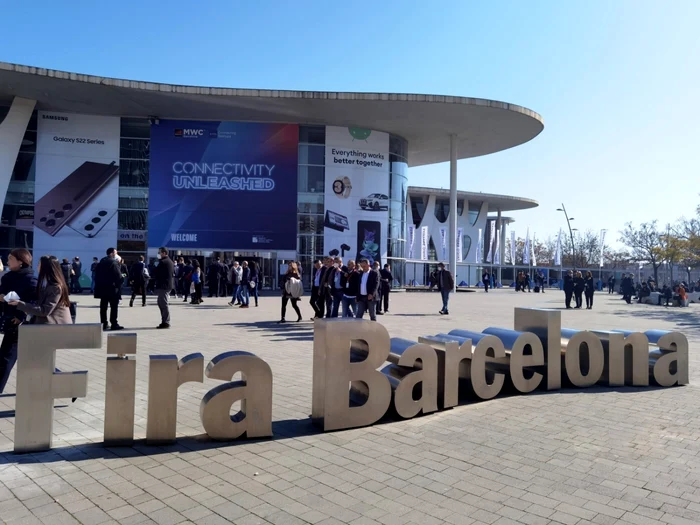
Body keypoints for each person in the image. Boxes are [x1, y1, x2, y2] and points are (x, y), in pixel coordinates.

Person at [0, 249, 38, 393]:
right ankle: (64, 382)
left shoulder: (30, 278)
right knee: (35, 359)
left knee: (5, 357)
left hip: (20, 324)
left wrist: (21, 316)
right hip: (8, 320)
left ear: (21, 261)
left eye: (11, 259)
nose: (7, 261)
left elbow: (34, 301)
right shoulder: (8, 276)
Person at [11, 256, 72, 325]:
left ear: (46, 268)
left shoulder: (55, 287)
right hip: (47, 324)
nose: (37, 266)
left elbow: (44, 311)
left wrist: (20, 303)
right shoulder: (45, 282)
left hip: (54, 326)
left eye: (39, 264)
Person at [94, 248, 124, 331]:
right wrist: (122, 281)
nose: (116, 254)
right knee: (114, 307)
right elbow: (119, 276)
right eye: (115, 253)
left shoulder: (101, 262)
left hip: (102, 289)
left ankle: (103, 323)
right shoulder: (113, 263)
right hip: (112, 289)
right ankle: (114, 323)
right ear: (111, 253)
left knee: (103, 307)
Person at [153, 247, 174, 328]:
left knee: (163, 303)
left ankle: (166, 322)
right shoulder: (169, 261)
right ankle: (164, 321)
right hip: (166, 285)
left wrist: (154, 269)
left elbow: (156, 272)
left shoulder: (163, 262)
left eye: (160, 252)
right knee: (160, 302)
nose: (159, 254)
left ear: (164, 253)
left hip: (164, 285)